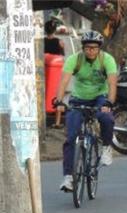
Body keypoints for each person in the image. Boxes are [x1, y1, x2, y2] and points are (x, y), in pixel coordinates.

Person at [55, 30, 118, 192]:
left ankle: (106, 147)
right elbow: (64, 81)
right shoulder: (74, 60)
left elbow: (112, 84)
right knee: (70, 137)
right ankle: (68, 177)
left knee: (106, 118)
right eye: (87, 48)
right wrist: (59, 100)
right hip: (78, 98)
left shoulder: (107, 60)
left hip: (100, 97)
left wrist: (109, 102)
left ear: (99, 49)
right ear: (82, 48)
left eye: (94, 48)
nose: (90, 51)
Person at [45, 19, 66, 128]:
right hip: (56, 72)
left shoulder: (40, 42)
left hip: (44, 71)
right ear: (54, 30)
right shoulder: (59, 42)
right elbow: (62, 56)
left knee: (44, 94)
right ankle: (57, 122)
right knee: (58, 95)